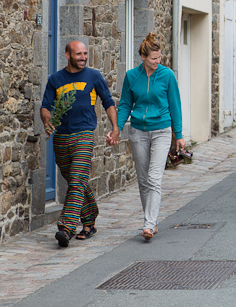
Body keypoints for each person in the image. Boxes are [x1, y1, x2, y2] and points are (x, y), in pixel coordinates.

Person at [40, 41, 118, 247]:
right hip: (61, 137)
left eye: (85, 54)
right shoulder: (55, 79)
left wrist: (115, 127)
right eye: (79, 54)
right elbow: (46, 106)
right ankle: (90, 219)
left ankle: (66, 227)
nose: (83, 57)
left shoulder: (94, 77)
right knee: (77, 180)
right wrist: (47, 122)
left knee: (76, 180)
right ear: (67, 55)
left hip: (84, 134)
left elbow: (108, 102)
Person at [113, 33, 184, 240]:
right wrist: (117, 128)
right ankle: (151, 219)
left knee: (154, 178)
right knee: (143, 180)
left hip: (162, 130)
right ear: (143, 57)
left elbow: (175, 105)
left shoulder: (167, 75)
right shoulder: (131, 76)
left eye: (159, 58)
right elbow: (125, 104)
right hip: (138, 132)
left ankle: (149, 224)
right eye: (153, 58)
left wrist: (178, 135)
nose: (157, 62)